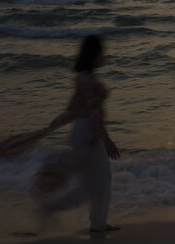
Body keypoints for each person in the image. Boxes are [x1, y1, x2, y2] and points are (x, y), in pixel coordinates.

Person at [35, 34, 120, 232]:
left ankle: (98, 222)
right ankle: (50, 209)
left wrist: (55, 124)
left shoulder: (83, 79)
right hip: (88, 133)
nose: (104, 56)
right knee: (93, 184)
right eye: (102, 53)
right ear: (94, 55)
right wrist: (106, 140)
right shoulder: (88, 81)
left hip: (82, 131)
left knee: (98, 180)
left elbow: (73, 107)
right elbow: (94, 114)